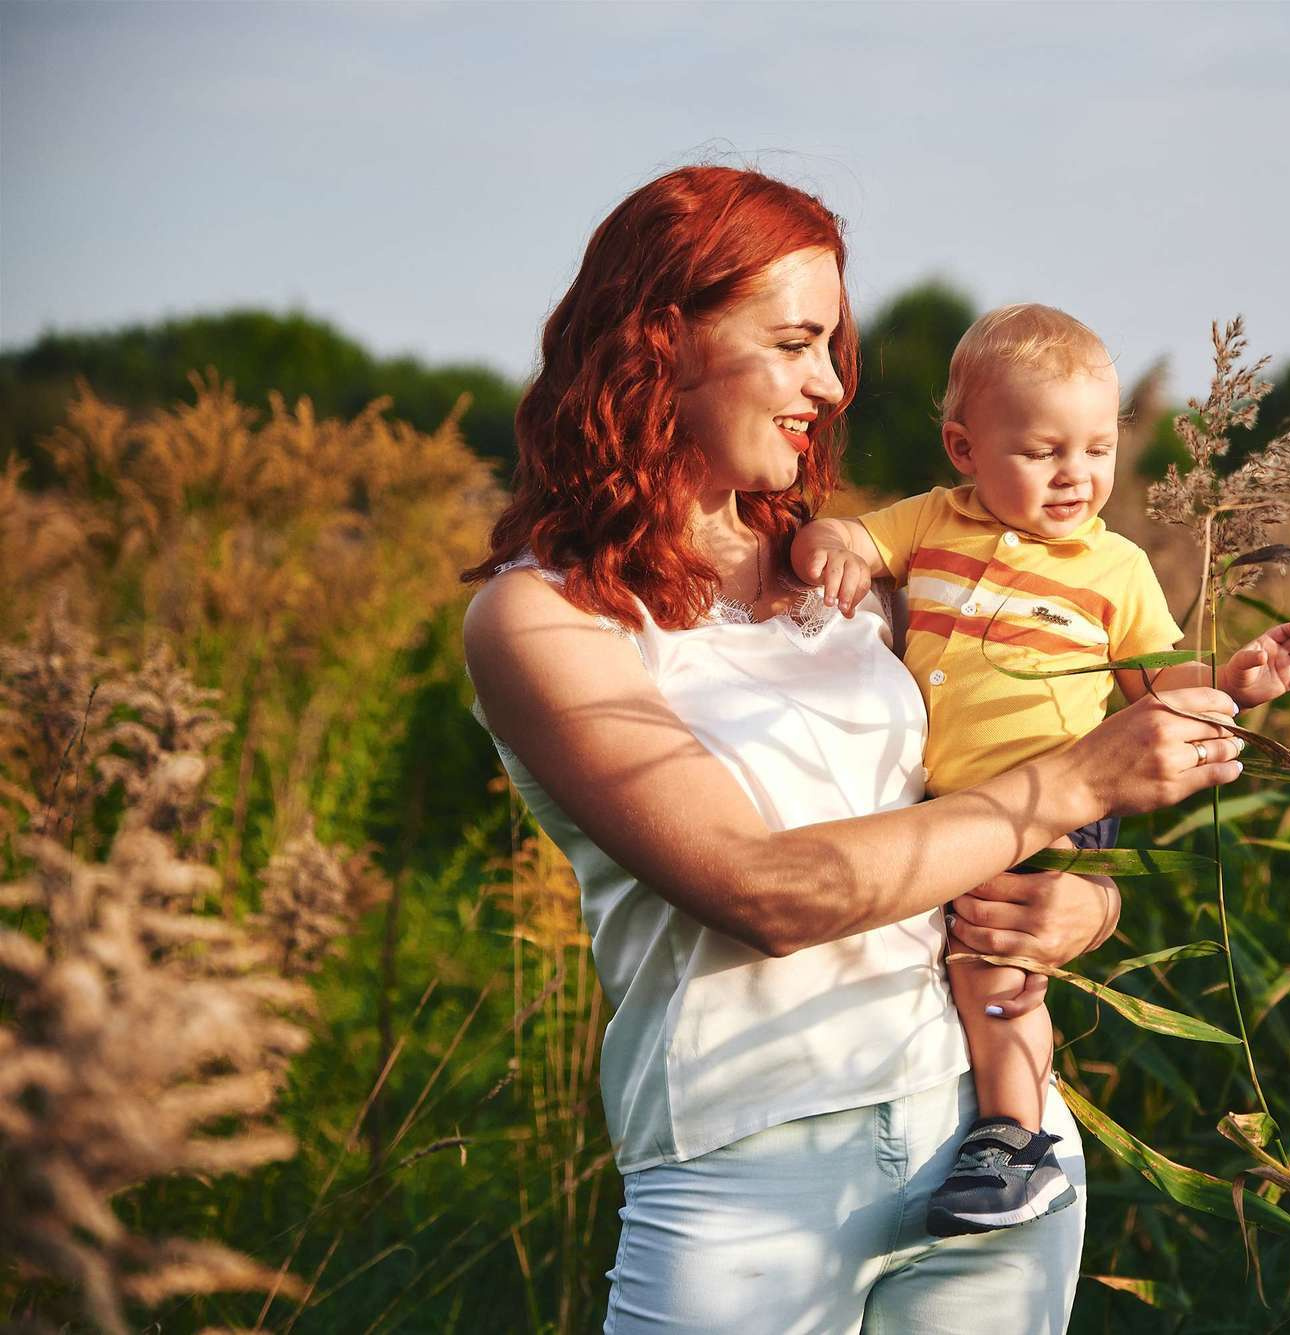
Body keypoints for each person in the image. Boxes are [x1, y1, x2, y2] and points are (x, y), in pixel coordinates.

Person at [459, 166, 1247, 1333]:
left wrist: (1083, 899)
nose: (829, 387)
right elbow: (763, 892)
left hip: (985, 1144)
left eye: (834, 347)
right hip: (747, 1171)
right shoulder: (546, 621)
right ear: (659, 339)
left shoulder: (845, 575)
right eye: (795, 343)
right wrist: (1076, 783)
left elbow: (984, 787)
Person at [790, 304, 1290, 1237]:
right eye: (1042, 451)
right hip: (959, 804)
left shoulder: (1114, 568)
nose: (1075, 475)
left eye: (1097, 448)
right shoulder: (934, 521)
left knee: (992, 960)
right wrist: (827, 548)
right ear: (964, 446)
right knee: (967, 950)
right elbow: (846, 540)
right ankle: (984, 1119)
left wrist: (1239, 680)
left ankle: (1014, 1134)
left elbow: (1154, 681)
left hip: (1054, 800)